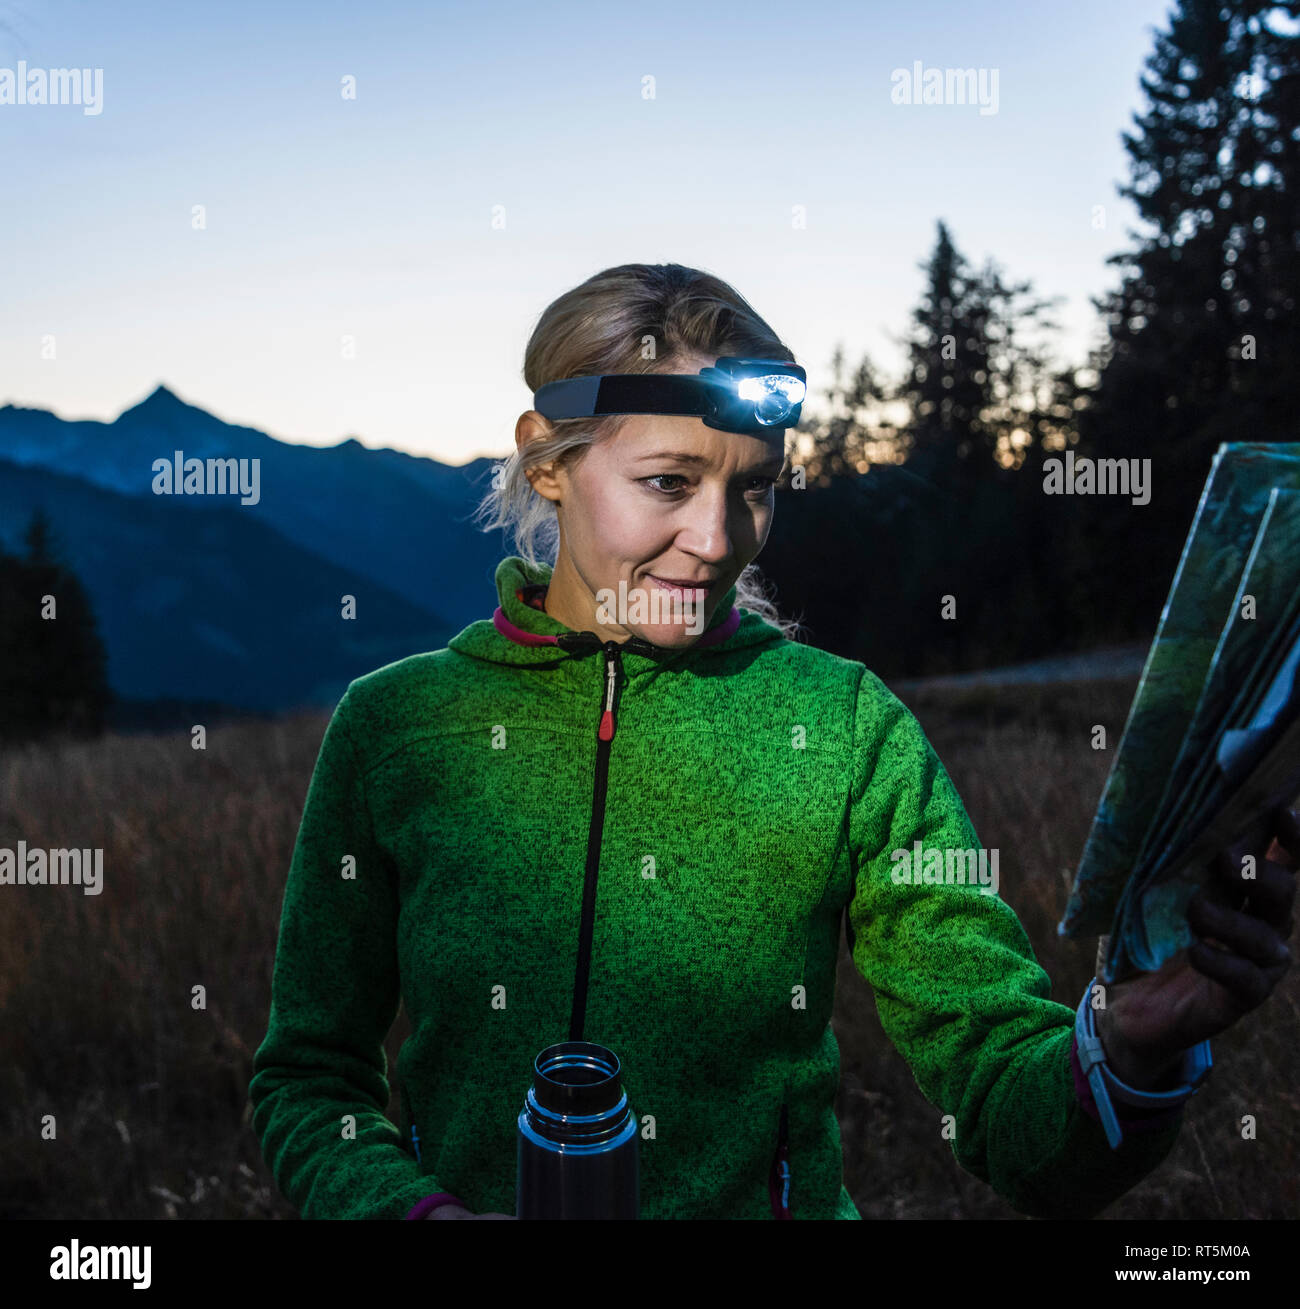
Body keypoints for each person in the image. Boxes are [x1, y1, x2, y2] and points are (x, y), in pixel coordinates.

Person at [248, 262, 1298, 1220]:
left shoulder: (844, 727)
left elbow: (998, 1096)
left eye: (754, 487)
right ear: (547, 461)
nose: (717, 542)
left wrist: (1124, 1048)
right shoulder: (393, 727)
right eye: (667, 482)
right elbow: (309, 1079)